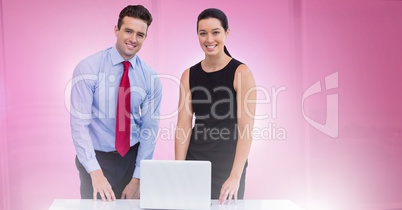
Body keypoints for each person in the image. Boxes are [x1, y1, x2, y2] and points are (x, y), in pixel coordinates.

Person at [70, 5, 162, 201]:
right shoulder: (88, 68)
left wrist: (138, 177)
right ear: (116, 30)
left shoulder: (150, 77)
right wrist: (95, 172)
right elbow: (79, 125)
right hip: (96, 158)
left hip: (132, 158)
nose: (133, 39)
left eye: (140, 34)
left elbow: (149, 130)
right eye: (128, 31)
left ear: (145, 37)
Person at [175, 8, 256, 205]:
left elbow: (246, 129)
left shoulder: (241, 73)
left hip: (228, 165)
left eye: (216, 32)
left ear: (227, 33)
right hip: (195, 162)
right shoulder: (189, 75)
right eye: (203, 33)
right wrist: (177, 170)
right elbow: (183, 126)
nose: (209, 39)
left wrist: (236, 175)